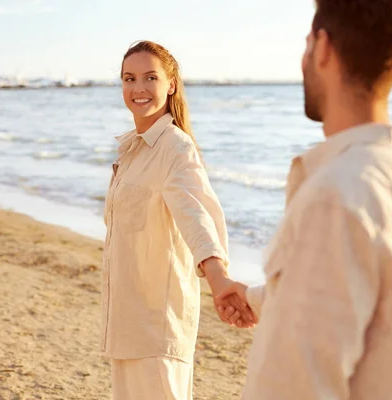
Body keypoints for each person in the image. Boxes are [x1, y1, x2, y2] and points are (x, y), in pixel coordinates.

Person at [215, 1, 392, 399]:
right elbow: (370, 309)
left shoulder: (336, 195)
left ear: (322, 47)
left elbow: (299, 384)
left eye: (307, 44)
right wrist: (257, 298)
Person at [101, 40, 254, 400]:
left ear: (170, 84)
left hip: (157, 328)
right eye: (129, 78)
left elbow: (197, 217)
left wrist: (219, 280)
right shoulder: (132, 150)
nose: (137, 88)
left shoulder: (175, 147)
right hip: (125, 325)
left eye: (150, 77)